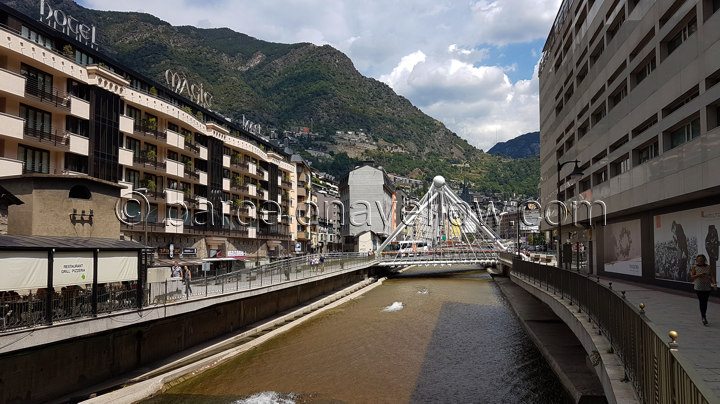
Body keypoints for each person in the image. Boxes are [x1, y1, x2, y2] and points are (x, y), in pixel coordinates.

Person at [690, 254, 717, 326]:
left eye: (701, 261)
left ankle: (704, 316)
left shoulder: (708, 267)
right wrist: (699, 275)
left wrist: (714, 284)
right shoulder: (695, 267)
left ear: (704, 261)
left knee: (705, 301)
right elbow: (692, 277)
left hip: (707, 287)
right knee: (702, 301)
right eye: (698, 261)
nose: (699, 262)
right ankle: (703, 317)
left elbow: (712, 276)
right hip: (698, 287)